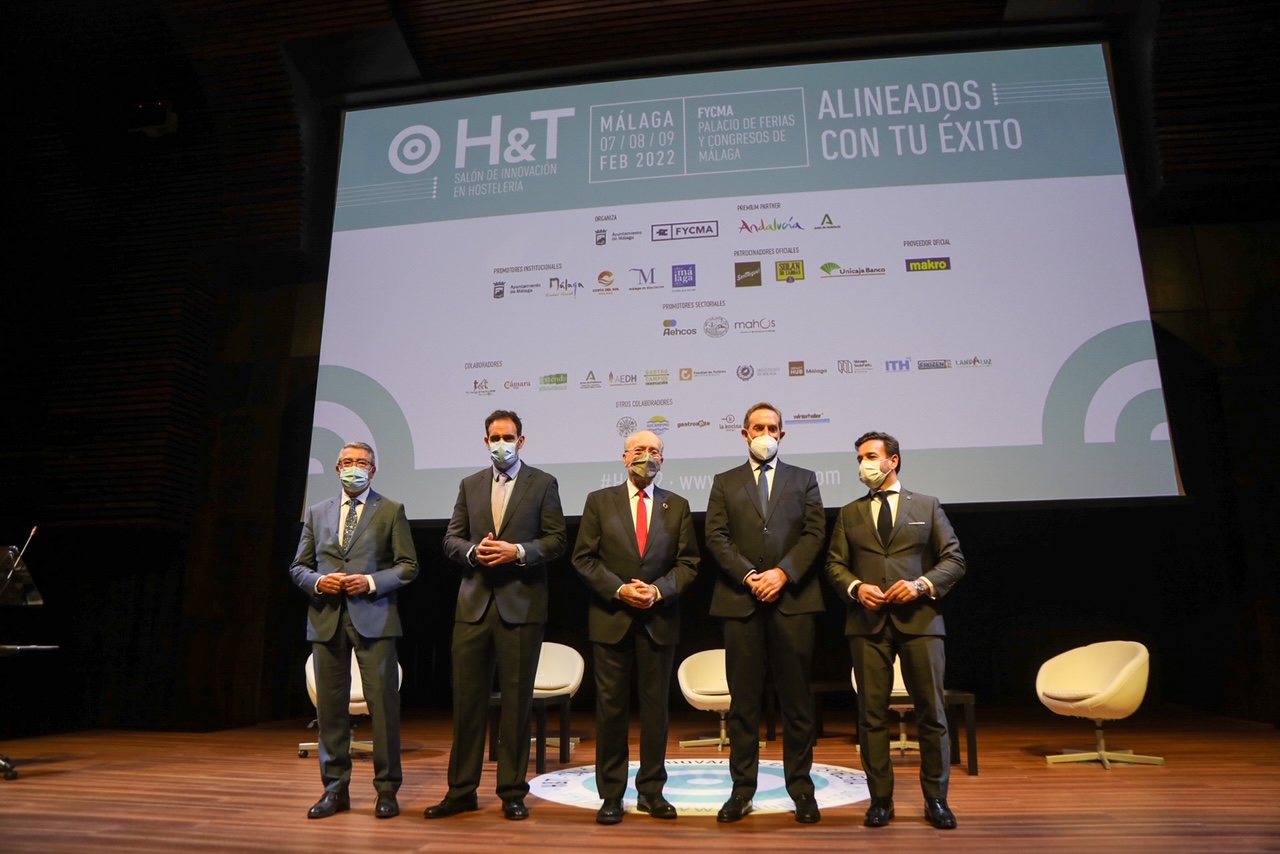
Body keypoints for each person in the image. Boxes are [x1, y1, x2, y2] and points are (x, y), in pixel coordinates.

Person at [426, 410, 567, 821]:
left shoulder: (543, 483)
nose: (500, 444)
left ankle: (512, 793)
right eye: (494, 437)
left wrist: (517, 551)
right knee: (467, 704)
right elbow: (451, 538)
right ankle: (461, 792)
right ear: (485, 441)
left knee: (517, 706)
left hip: (521, 607)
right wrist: (474, 552)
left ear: (521, 441)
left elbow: (557, 540)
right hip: (473, 607)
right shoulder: (469, 484)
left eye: (508, 437)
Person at [825, 431, 966, 830]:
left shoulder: (927, 505)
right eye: (859, 458)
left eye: (870, 456)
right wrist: (856, 587)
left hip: (921, 621)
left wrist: (921, 584)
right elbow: (834, 565)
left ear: (893, 460)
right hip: (867, 624)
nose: (863, 464)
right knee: (871, 716)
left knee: (932, 713)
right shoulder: (849, 513)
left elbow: (954, 560)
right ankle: (880, 800)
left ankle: (936, 799)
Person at [705, 402, 826, 824]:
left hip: (793, 602)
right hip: (741, 602)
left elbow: (815, 534)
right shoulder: (724, 481)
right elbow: (716, 536)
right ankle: (742, 791)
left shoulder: (804, 479)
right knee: (743, 703)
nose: (766, 434)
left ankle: (802, 790)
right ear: (745, 433)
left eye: (773, 428)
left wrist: (782, 573)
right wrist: (750, 576)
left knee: (797, 703)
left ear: (782, 434)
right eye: (758, 427)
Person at [572, 430, 699, 825]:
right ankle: (611, 795)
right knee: (611, 712)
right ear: (625, 458)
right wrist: (620, 589)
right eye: (640, 450)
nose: (647, 456)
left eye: (655, 451)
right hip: (611, 619)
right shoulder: (599, 501)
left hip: (659, 620)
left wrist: (658, 591)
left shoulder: (677, 506)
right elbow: (584, 558)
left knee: (656, 712)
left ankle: (652, 792)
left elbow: (688, 563)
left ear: (664, 459)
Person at [289, 441, 419, 819]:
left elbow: (408, 565)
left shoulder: (391, 510)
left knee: (383, 709)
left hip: (374, 618)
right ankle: (334, 790)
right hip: (326, 620)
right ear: (337, 469)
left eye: (361, 462)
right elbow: (299, 567)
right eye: (347, 462)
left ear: (373, 471)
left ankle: (387, 790)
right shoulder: (317, 512)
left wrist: (371, 582)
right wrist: (318, 582)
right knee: (331, 711)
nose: (353, 468)